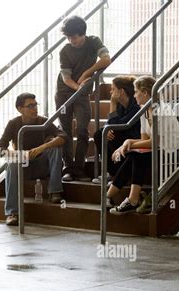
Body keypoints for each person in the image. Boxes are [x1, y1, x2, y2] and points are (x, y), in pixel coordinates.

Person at [106, 75, 179, 214]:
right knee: (134, 155)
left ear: (145, 92)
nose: (135, 95)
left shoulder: (161, 111)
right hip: (159, 149)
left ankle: (129, 199)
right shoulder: (144, 110)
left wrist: (128, 144)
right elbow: (145, 139)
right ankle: (112, 196)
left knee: (137, 156)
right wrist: (127, 144)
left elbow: (153, 142)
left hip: (174, 152)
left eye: (136, 92)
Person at [0, 93, 68, 226]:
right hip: (24, 167)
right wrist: (20, 155)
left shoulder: (44, 121)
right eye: (30, 106)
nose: (35, 108)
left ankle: (55, 191)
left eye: (35, 105)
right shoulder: (13, 124)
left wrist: (41, 148)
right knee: (11, 165)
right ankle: (12, 213)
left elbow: (63, 137)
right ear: (19, 109)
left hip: (42, 166)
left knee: (55, 147)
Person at [55, 15, 111, 182]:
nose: (71, 40)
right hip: (64, 92)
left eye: (73, 37)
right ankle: (68, 169)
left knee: (82, 130)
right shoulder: (64, 51)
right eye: (68, 37)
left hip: (82, 94)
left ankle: (78, 169)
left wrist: (87, 73)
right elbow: (66, 77)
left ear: (82, 34)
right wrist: (78, 87)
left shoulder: (93, 42)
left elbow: (106, 59)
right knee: (64, 131)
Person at [92, 75, 141, 184]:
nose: (110, 92)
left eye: (113, 89)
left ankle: (121, 175)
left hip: (134, 139)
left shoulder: (136, 106)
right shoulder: (120, 106)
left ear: (122, 91)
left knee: (115, 134)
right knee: (100, 134)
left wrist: (112, 103)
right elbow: (111, 124)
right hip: (121, 136)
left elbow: (121, 126)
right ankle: (113, 173)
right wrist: (107, 129)